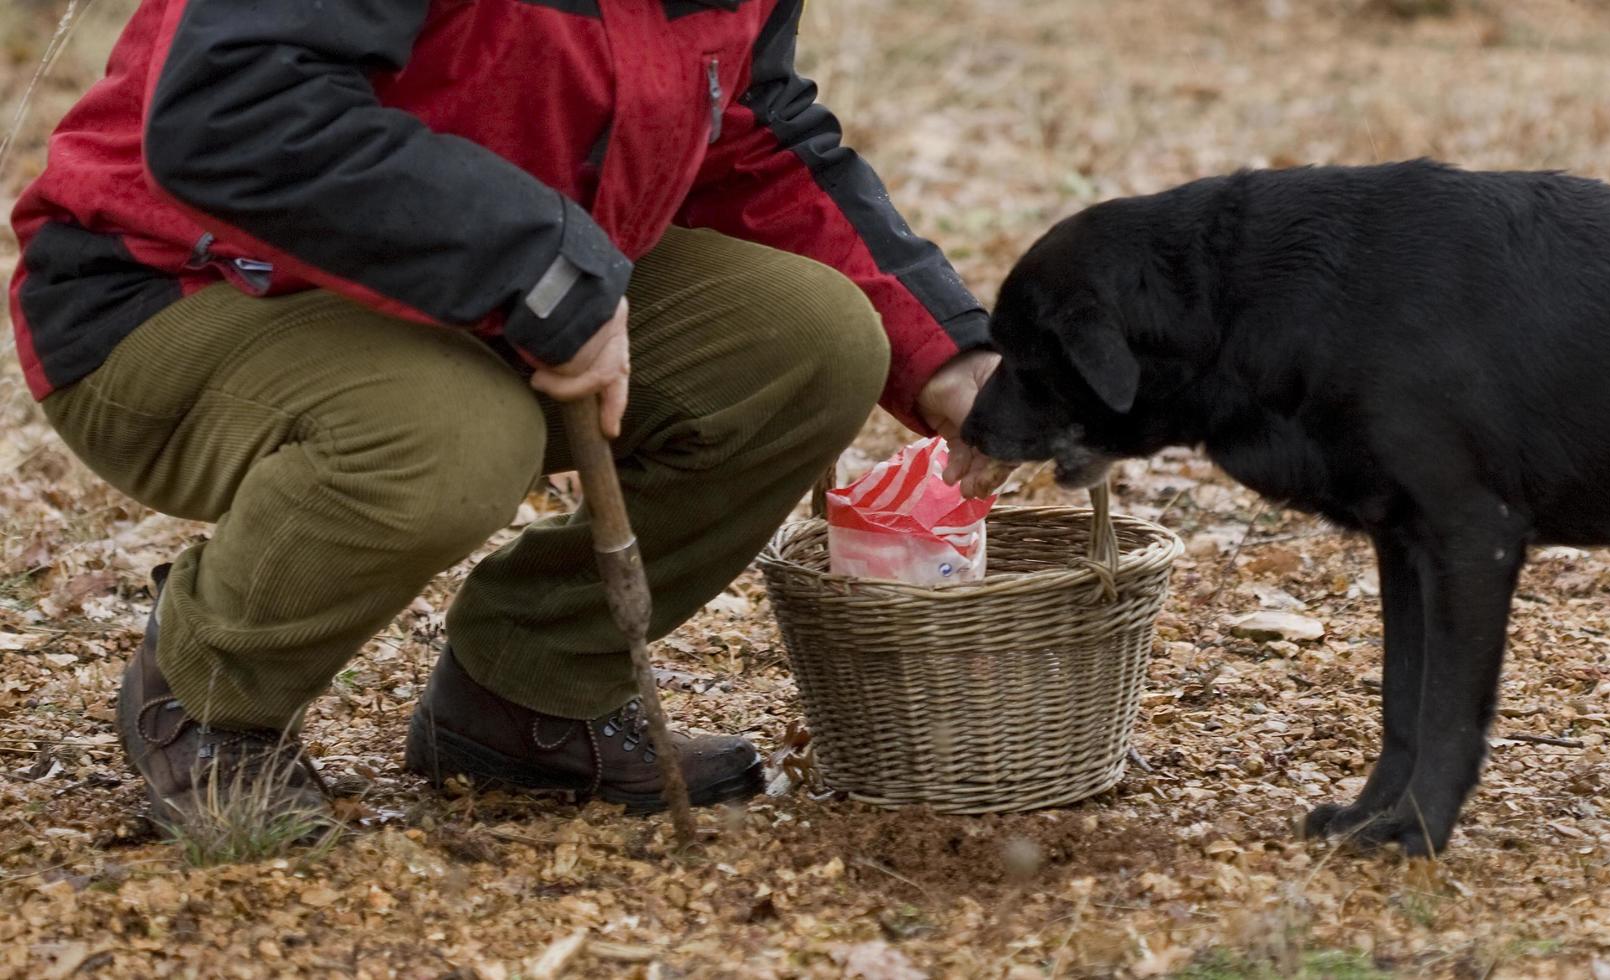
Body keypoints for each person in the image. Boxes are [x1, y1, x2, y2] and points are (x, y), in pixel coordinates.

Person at [7, 0, 1005, 829]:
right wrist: (537, 270)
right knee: (454, 435)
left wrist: (947, 354)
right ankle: (207, 693)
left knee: (813, 342)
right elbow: (230, 106)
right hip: (180, 280)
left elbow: (752, 126)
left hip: (486, 275)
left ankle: (525, 693)